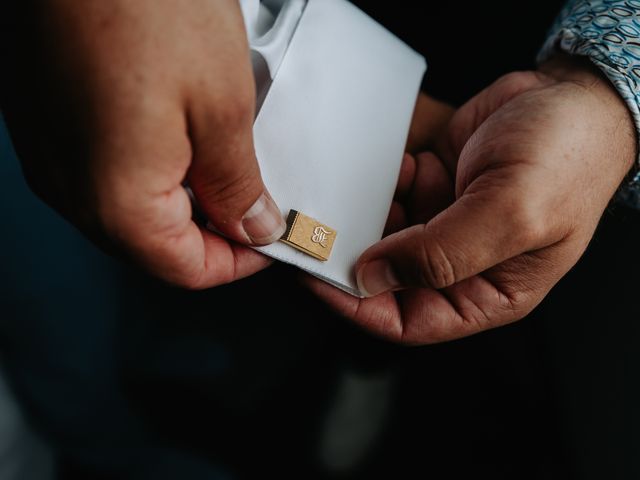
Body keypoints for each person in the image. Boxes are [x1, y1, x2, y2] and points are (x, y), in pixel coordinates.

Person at [1, 0, 639, 478]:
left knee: (406, 234)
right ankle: (105, 428)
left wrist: (613, 91)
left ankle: (200, 356)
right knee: (53, 288)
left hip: (422, 58)